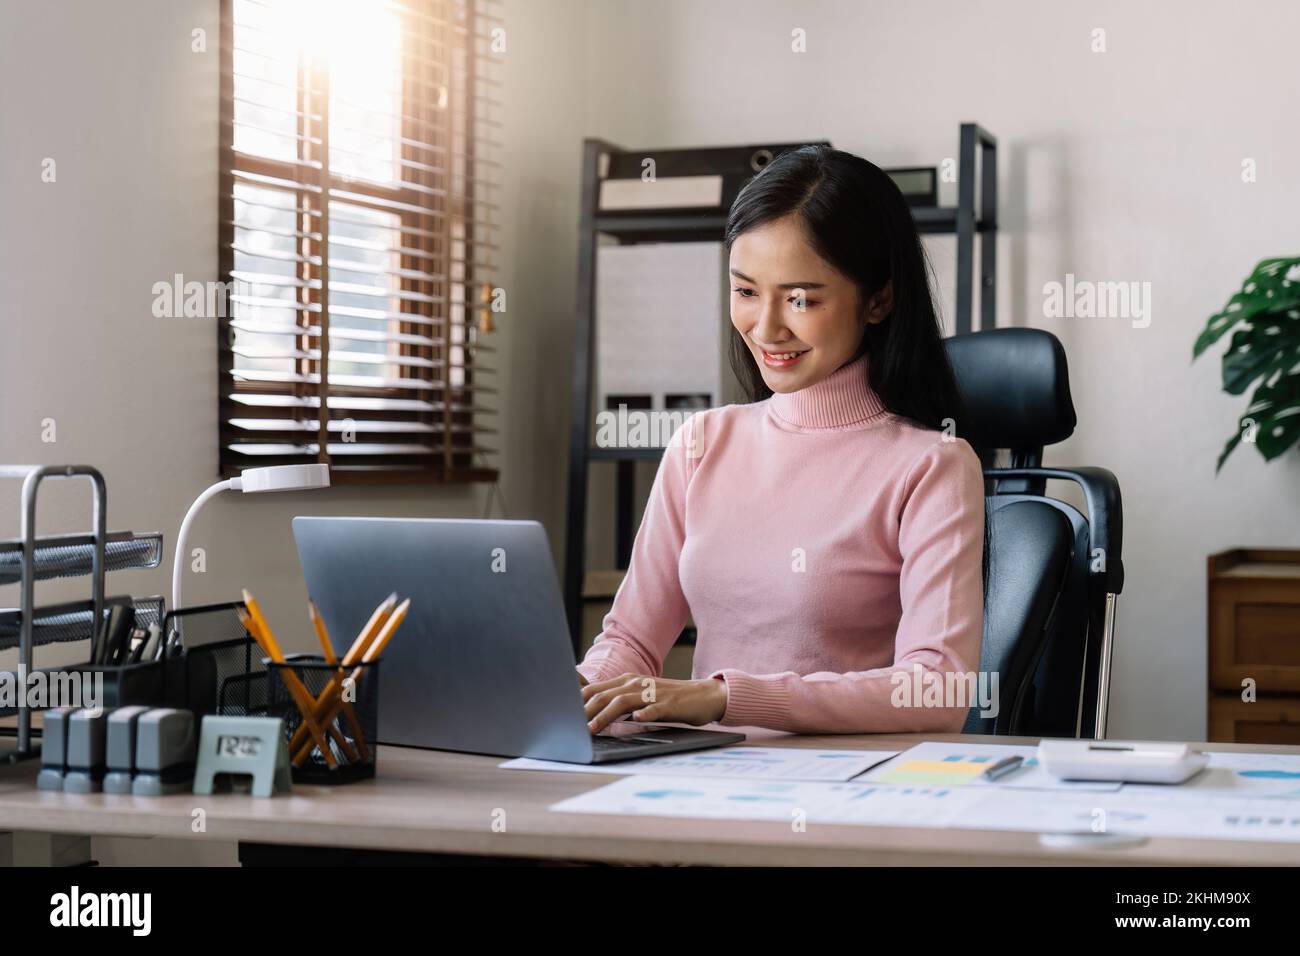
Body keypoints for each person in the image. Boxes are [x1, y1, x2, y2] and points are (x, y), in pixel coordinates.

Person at [578, 145, 987, 736]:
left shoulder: (933, 467)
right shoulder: (702, 444)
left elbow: (935, 686)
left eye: (800, 299)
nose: (766, 328)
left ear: (879, 298)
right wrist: (580, 689)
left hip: (847, 792)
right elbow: (631, 641)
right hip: (705, 777)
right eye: (746, 292)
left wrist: (725, 699)